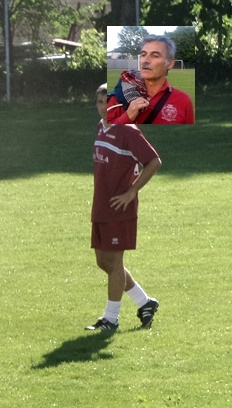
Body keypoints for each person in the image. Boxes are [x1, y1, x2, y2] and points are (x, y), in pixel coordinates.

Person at [88, 84, 162, 331]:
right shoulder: (101, 127)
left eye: (108, 103)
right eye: (100, 103)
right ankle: (145, 302)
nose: (104, 108)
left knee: (115, 262)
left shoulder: (128, 130)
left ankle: (111, 319)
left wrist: (132, 192)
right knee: (103, 262)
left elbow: (154, 161)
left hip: (120, 208)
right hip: (102, 205)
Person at [106, 34, 195, 125]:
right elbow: (104, 132)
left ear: (170, 64)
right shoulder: (119, 97)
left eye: (155, 56)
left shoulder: (184, 101)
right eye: (143, 55)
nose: (146, 60)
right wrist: (127, 117)